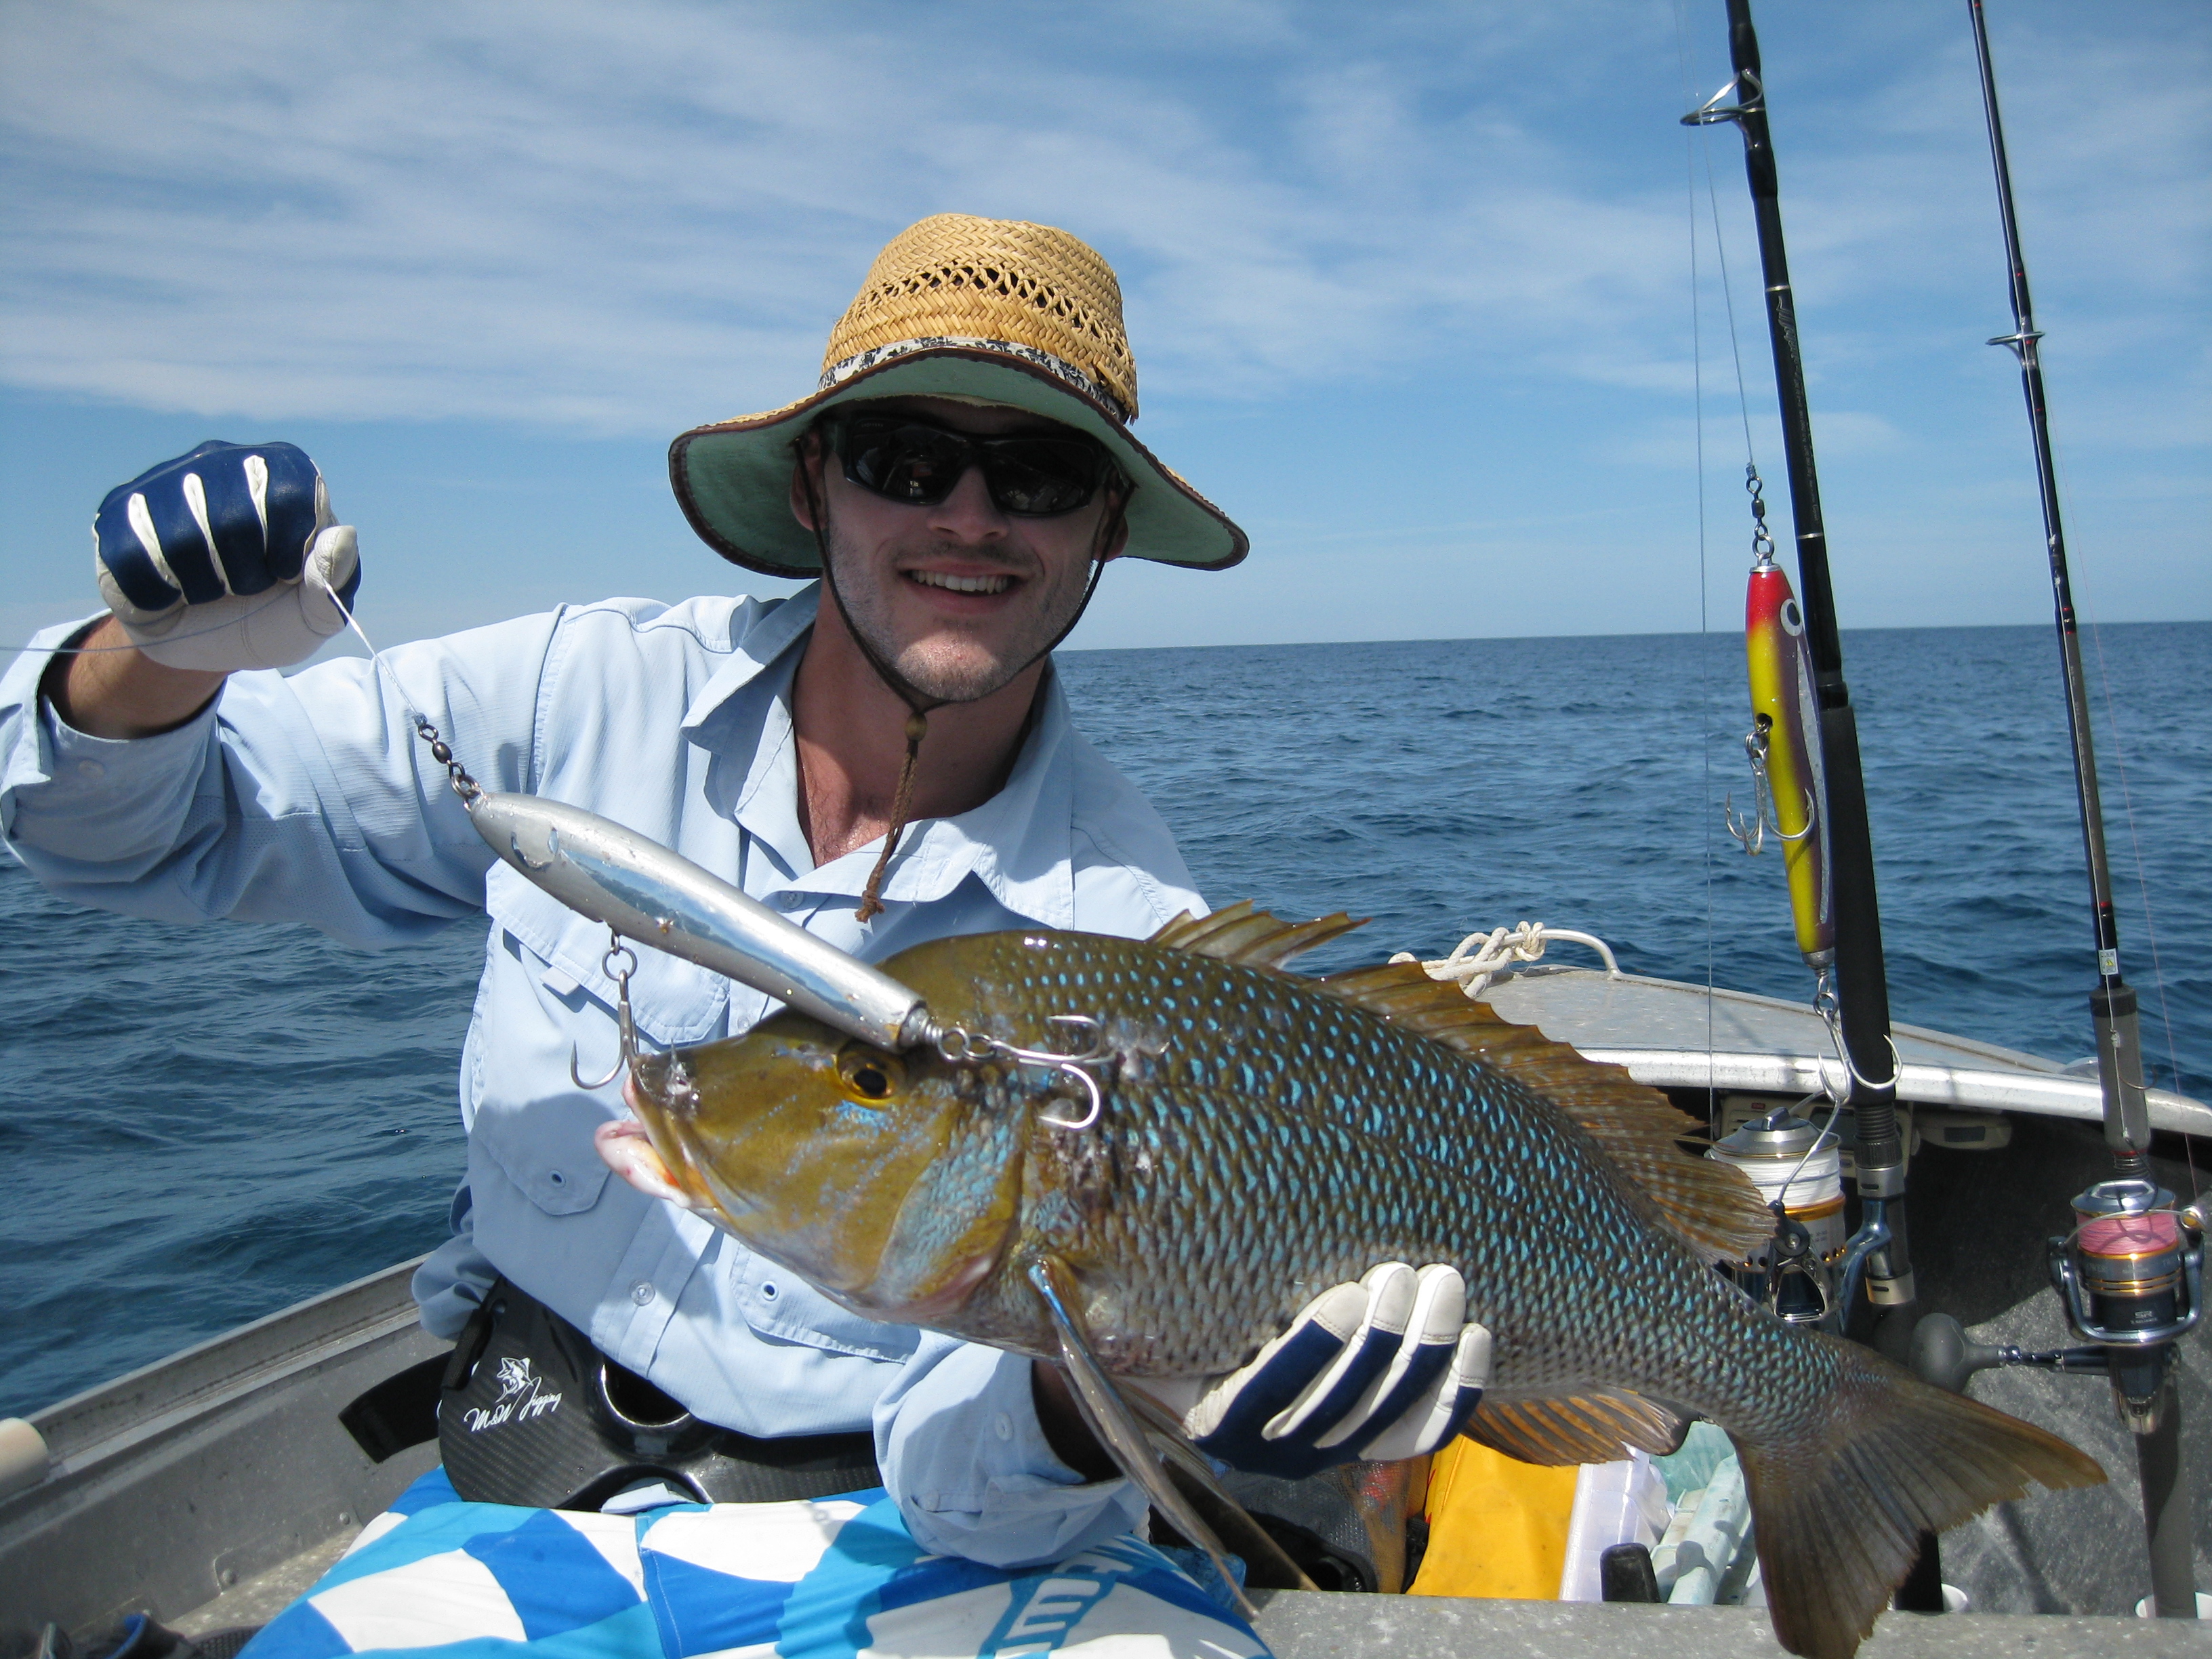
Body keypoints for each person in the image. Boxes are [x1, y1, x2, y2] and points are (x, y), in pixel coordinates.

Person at [0, 215, 1486, 1568]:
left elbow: (978, 1504)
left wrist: (1103, 1401)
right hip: (510, 1479)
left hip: (909, 1550)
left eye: (1036, 477)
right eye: (907, 457)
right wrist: (157, 659)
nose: (969, 516)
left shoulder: (1132, 940)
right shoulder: (576, 694)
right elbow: (122, 835)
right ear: (812, 483)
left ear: (1100, 528)